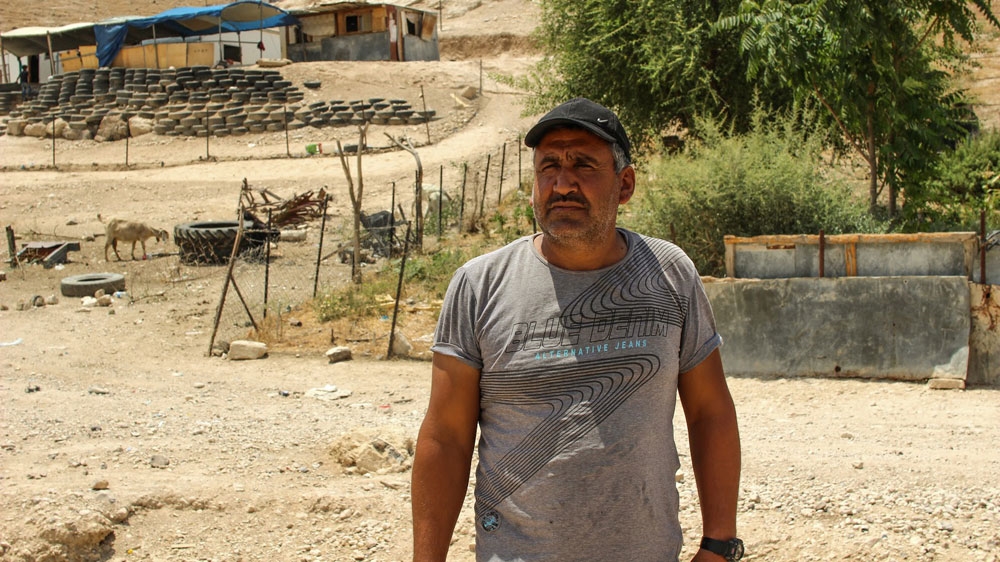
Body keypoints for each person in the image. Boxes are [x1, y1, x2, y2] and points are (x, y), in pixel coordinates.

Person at [411, 97, 743, 562]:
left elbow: (710, 412)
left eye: (583, 165)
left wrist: (720, 544)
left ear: (624, 184)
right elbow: (446, 437)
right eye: (548, 166)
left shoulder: (670, 273)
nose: (562, 183)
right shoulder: (479, 285)